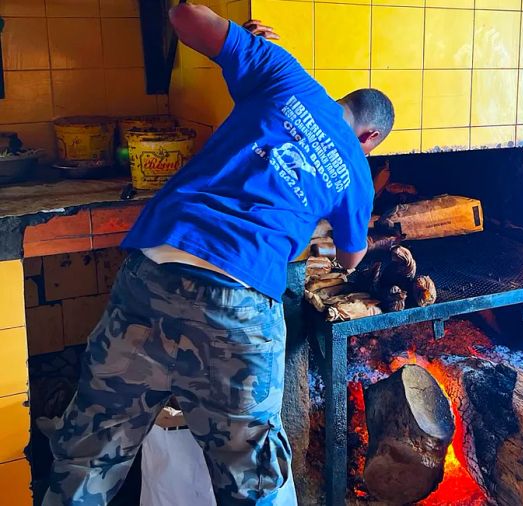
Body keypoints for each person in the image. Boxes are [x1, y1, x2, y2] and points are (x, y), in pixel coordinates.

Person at [41, 2, 394, 505]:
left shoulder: (285, 73)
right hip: (241, 306)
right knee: (254, 482)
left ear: (341, 99)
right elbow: (353, 258)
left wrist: (248, 43)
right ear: (369, 138)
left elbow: (185, 17)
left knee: (89, 455)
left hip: (154, 269)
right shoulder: (358, 171)